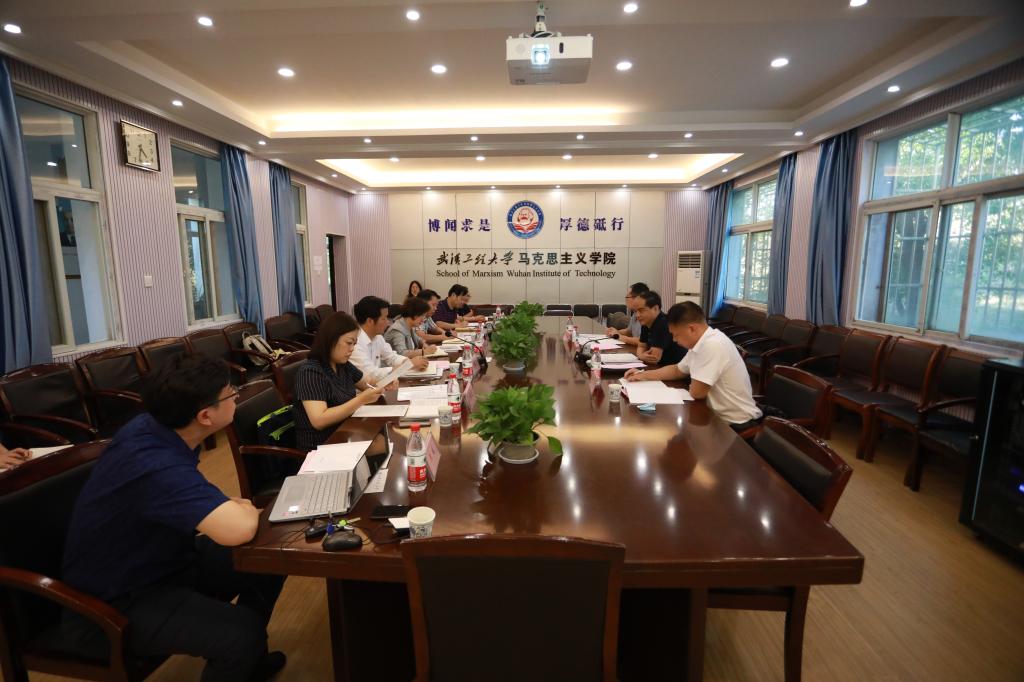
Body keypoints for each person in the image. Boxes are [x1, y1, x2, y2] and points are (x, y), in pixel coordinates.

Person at [61, 355, 287, 681]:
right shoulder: (151, 461)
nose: (236, 397)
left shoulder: (156, 427)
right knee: (241, 633)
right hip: (116, 600)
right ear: (205, 416)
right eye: (231, 393)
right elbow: (238, 528)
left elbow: (187, 497)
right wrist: (243, 509)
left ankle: (247, 662)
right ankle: (243, 649)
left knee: (271, 556)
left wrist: (233, 507)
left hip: (164, 560)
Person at [624, 302, 762, 429]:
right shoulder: (700, 342)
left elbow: (697, 392)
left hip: (734, 423)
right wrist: (642, 375)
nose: (674, 340)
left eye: (676, 335)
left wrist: (692, 385)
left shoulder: (712, 345)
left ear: (691, 329)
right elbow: (677, 370)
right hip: (713, 416)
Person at [293, 311, 389, 450]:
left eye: (354, 344)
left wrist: (386, 381)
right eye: (349, 343)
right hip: (322, 445)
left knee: (387, 437)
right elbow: (319, 420)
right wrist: (360, 400)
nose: (352, 349)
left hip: (346, 432)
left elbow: (367, 383)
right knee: (385, 445)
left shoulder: (342, 365)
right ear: (331, 339)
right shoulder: (310, 372)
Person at [351, 295, 429, 382]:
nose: (388, 322)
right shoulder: (354, 343)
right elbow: (371, 374)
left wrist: (409, 362)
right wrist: (409, 365)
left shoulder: (377, 337)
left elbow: (391, 357)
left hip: (379, 385)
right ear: (370, 321)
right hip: (366, 388)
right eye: (384, 319)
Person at [634, 291, 687, 367]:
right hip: (662, 366)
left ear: (655, 308)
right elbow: (641, 346)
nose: (637, 315)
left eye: (641, 310)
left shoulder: (663, 324)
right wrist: (641, 355)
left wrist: (640, 355)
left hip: (676, 369)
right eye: (636, 311)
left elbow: (654, 359)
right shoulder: (646, 323)